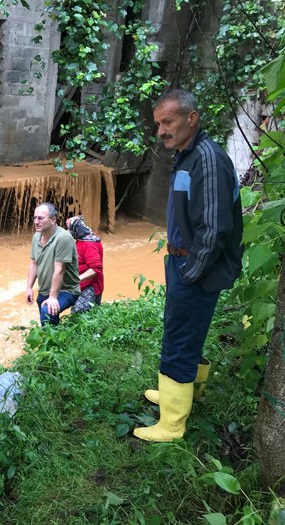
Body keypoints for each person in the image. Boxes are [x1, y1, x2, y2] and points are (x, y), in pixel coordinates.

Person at [133, 89, 243, 442]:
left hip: (196, 268)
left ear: (191, 118)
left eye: (168, 122)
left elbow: (215, 228)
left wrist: (191, 272)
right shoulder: (187, 154)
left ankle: (172, 425)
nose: (161, 130)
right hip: (183, 262)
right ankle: (178, 394)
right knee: (185, 331)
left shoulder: (207, 160)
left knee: (179, 338)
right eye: (158, 124)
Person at [25, 202, 81, 326]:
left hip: (66, 290)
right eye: (34, 218)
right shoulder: (36, 237)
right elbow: (33, 262)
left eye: (40, 218)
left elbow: (59, 269)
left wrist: (52, 297)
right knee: (49, 327)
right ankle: (56, 343)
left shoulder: (63, 238)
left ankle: (56, 343)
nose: (36, 221)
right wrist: (29, 287)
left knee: (47, 312)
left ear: (53, 220)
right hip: (44, 290)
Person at [66, 215, 104, 313]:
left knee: (79, 312)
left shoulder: (89, 244)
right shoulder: (84, 239)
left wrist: (77, 279)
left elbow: (95, 268)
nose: (67, 231)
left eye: (69, 228)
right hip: (82, 285)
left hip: (90, 286)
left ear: (76, 229)